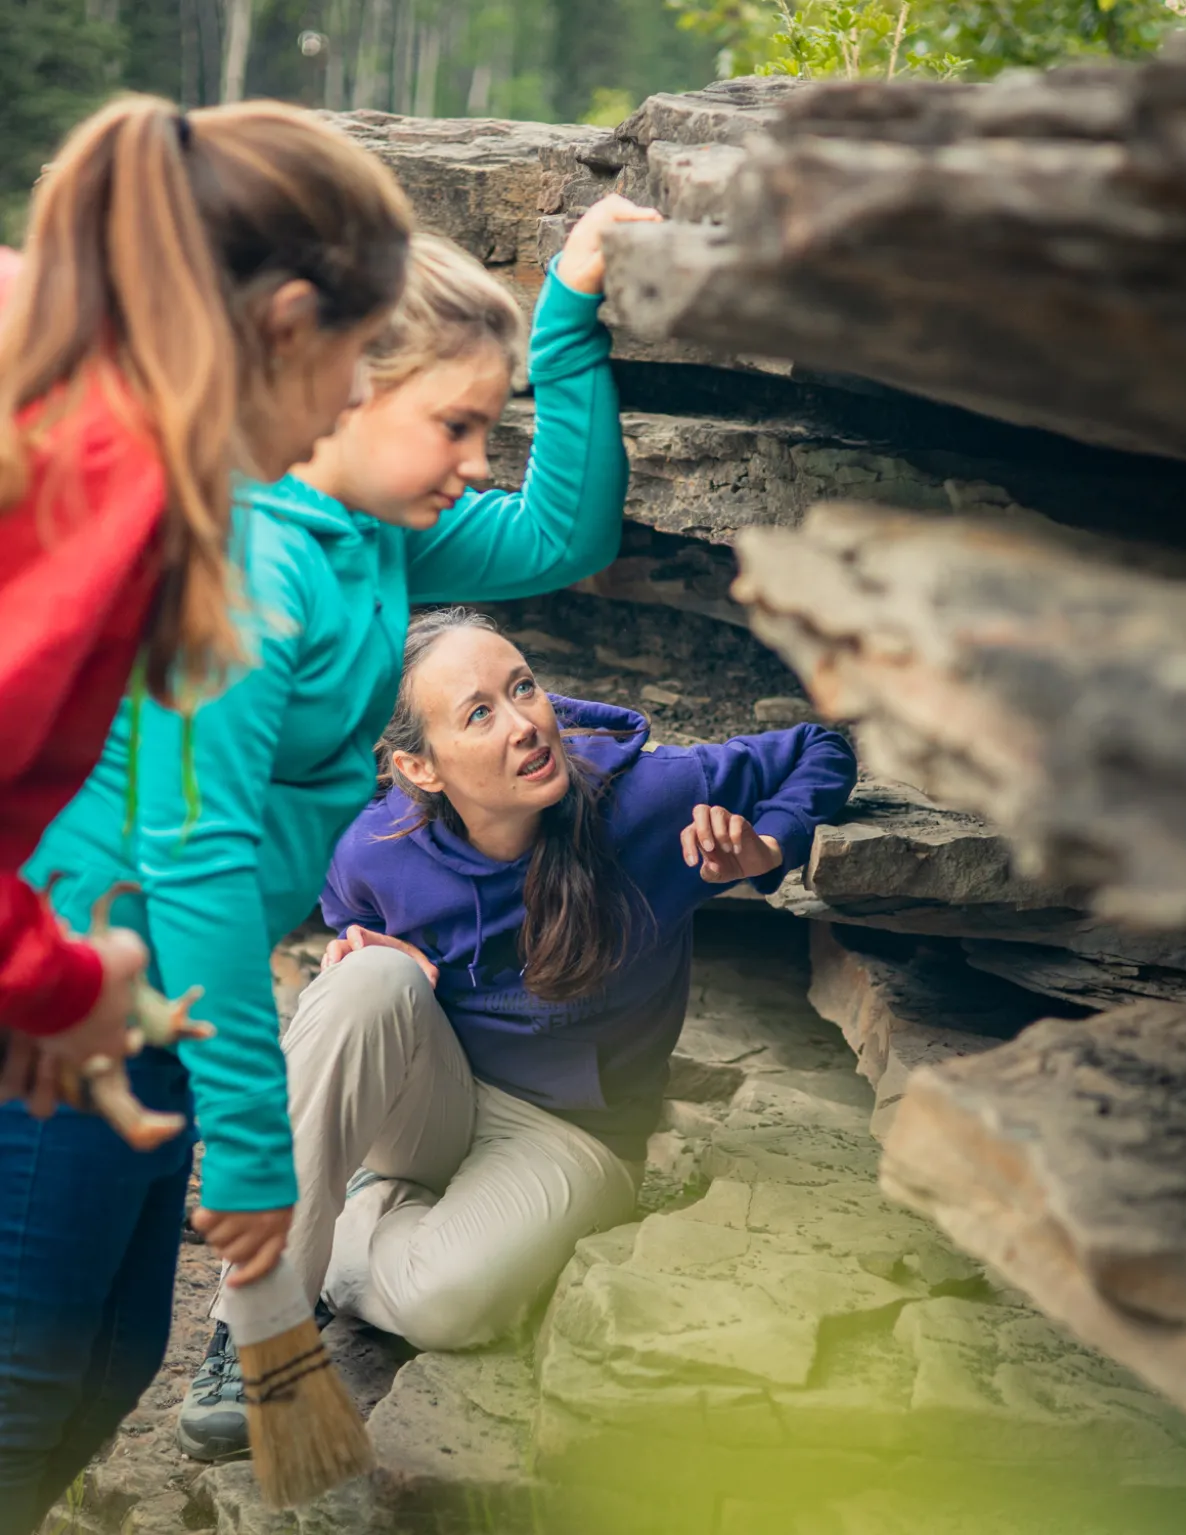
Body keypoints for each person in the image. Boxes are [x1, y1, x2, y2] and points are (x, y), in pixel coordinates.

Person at [11, 198, 648, 1530]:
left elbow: (560, 538)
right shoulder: (248, 570)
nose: (477, 462)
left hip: (161, 1012)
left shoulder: (374, 532)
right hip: (67, 1001)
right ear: (344, 389)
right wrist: (254, 1158)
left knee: (110, 1359)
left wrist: (573, 315)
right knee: (28, 1374)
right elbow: (191, 869)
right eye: (455, 425)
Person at [179, 607, 858, 1456]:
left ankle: (341, 1228)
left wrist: (767, 849)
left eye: (523, 688)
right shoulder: (371, 847)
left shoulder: (649, 799)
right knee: (364, 980)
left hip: (572, 1135)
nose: (526, 724)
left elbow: (822, 749)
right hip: (438, 1100)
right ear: (417, 768)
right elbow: (346, 921)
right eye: (479, 713)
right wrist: (362, 951)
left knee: (443, 1307)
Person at [0, 93, 411, 1119]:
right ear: (285, 326)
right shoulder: (112, 477)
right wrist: (65, 982)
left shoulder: (76, 414)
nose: (359, 394)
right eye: (359, 350)